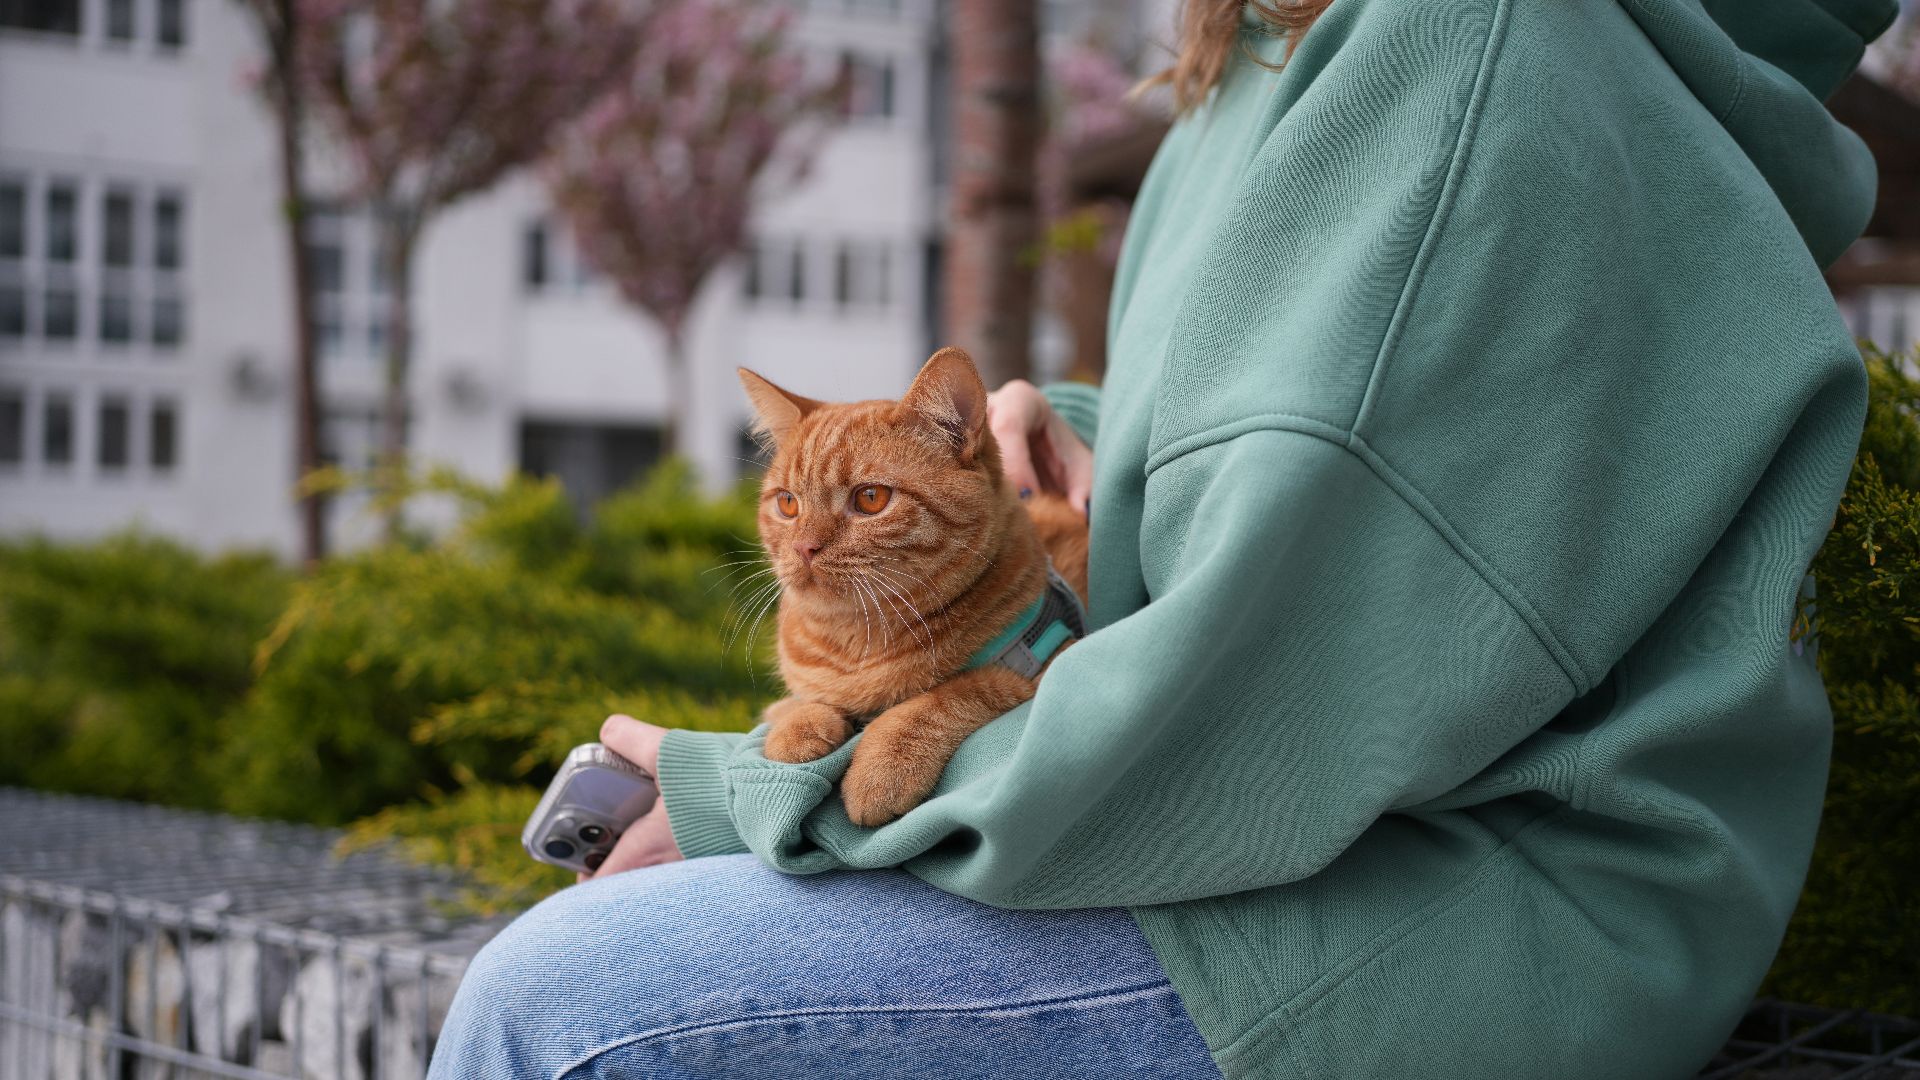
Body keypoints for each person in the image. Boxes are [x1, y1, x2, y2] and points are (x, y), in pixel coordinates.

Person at [429, 0, 1900, 1074]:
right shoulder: (1256, 59)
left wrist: (759, 792)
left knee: (564, 1010)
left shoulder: (1476, 51)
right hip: (1353, 845)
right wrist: (1089, 434)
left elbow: (1245, 718)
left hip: (1469, 913)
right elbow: (1349, 472)